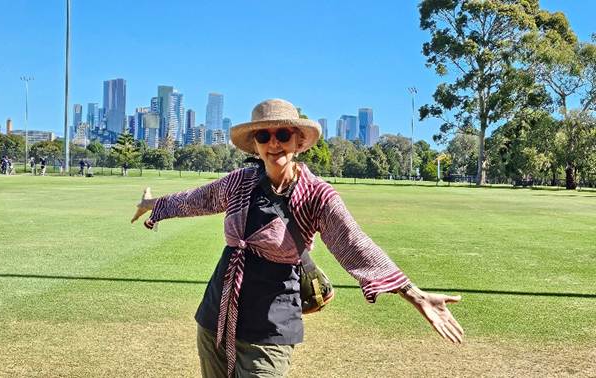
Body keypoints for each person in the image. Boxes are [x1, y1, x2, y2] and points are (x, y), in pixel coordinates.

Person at [131, 99, 463, 377]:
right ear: (256, 144)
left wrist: (414, 294)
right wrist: (153, 205)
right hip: (216, 317)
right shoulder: (238, 182)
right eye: (264, 135)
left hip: (271, 328)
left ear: (298, 141)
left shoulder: (317, 196)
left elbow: (355, 244)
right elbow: (195, 200)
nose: (274, 142)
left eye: (282, 134)